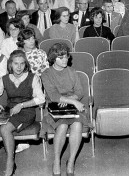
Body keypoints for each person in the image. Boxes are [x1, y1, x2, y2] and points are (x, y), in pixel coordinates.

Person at [0, 50, 45, 176]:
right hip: (9, 110)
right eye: (16, 64)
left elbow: (41, 99)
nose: (19, 67)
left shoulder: (33, 78)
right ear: (10, 64)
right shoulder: (4, 79)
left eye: (22, 64)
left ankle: (10, 161)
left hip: (26, 111)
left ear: (25, 64)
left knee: (5, 129)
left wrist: (21, 105)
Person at [41, 43, 90, 176]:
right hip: (54, 107)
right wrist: (71, 101)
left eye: (66, 57)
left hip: (71, 106)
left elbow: (79, 92)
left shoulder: (72, 71)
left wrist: (71, 100)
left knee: (78, 124)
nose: (65, 60)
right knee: (62, 126)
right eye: (60, 57)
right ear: (53, 58)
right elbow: (54, 96)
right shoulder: (46, 74)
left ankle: (71, 161)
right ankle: (57, 161)